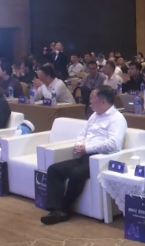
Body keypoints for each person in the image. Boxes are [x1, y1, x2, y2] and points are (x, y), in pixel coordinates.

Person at [41, 86, 128, 224]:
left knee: (76, 174)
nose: (90, 101)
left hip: (101, 160)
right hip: (85, 156)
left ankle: (64, 210)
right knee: (54, 169)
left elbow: (114, 144)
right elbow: (82, 134)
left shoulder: (117, 118)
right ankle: (54, 209)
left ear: (103, 101)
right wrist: (79, 144)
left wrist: (87, 148)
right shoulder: (94, 116)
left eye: (93, 98)